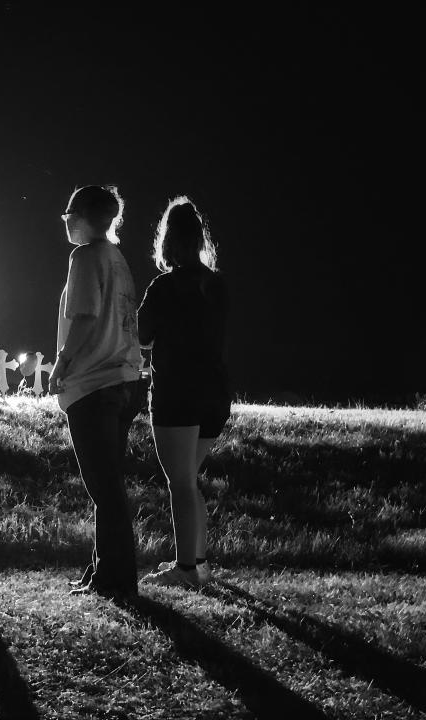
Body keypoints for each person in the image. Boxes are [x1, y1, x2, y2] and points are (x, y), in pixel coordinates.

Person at [48, 185, 144, 599]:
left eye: (68, 214)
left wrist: (62, 363)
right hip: (125, 379)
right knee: (108, 484)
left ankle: (116, 578)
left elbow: (84, 318)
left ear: (81, 217)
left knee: (104, 487)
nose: (65, 222)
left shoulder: (84, 256)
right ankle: (101, 567)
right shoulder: (117, 258)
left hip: (94, 384)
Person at [137, 196, 230, 589]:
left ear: (167, 241)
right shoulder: (216, 284)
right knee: (189, 478)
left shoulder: (163, 287)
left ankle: (185, 569)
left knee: (179, 483)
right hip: (215, 393)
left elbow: (141, 336)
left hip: (176, 392)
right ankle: (200, 562)